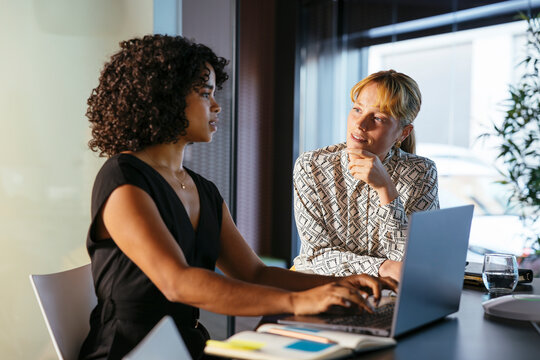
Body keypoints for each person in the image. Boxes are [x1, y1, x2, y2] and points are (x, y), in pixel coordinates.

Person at [78, 35, 396, 360]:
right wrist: (298, 302)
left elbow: (255, 273)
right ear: (162, 99)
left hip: (188, 349)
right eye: (205, 94)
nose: (216, 106)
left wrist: (344, 282)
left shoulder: (202, 190)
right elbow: (178, 282)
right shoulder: (124, 178)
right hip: (131, 353)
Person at [292, 70, 439, 282]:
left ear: (403, 133)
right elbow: (316, 256)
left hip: (389, 294)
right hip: (321, 287)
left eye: (378, 118)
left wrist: (386, 190)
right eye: (357, 109)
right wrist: (383, 267)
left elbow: (416, 262)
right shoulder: (311, 167)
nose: (360, 124)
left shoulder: (421, 172)